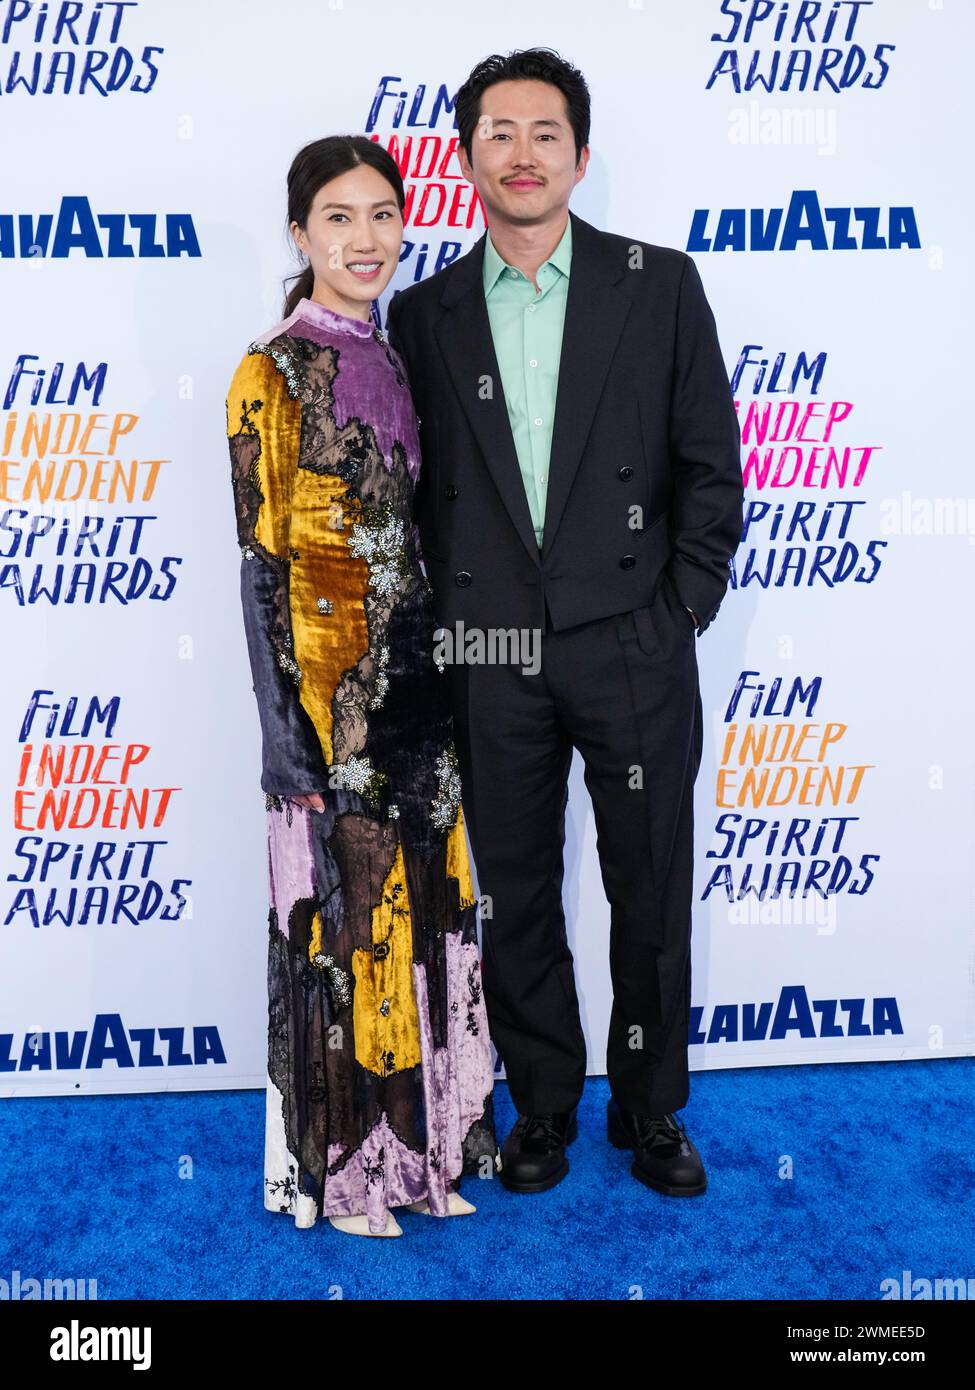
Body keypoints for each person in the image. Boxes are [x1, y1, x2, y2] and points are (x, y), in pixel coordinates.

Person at [386, 50, 744, 1198]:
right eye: (500, 132)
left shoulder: (662, 284)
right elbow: (415, 486)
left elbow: (711, 466)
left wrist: (680, 606)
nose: (524, 152)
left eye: (547, 132)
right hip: (490, 650)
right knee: (517, 886)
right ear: (467, 157)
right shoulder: (424, 312)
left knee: (649, 882)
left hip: (630, 636)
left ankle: (649, 1109)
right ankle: (543, 1101)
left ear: (581, 157)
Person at [224, 135, 498, 1238]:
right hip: (326, 713)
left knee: (425, 924)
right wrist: (284, 737)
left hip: (417, 694)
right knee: (349, 935)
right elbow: (259, 567)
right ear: (300, 234)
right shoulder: (272, 369)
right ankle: (343, 1175)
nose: (366, 237)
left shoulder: (391, 356)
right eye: (339, 217)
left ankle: (423, 1157)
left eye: (383, 214)